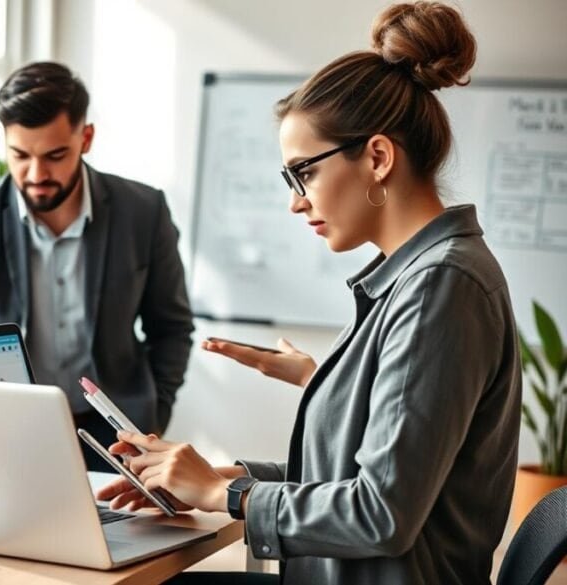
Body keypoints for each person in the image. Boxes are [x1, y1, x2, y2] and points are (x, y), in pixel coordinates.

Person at [97, 3, 521, 584]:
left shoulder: (439, 286)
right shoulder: (418, 278)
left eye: (304, 173)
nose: (296, 200)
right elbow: (351, 474)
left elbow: (380, 513)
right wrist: (207, 479)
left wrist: (226, 495)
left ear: (376, 157)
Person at [0, 62, 195, 469]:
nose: (36, 175)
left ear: (85, 138)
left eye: (54, 155)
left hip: (118, 435)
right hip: (8, 432)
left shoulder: (143, 211)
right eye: (20, 155)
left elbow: (171, 328)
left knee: (114, 534)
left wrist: (154, 408)